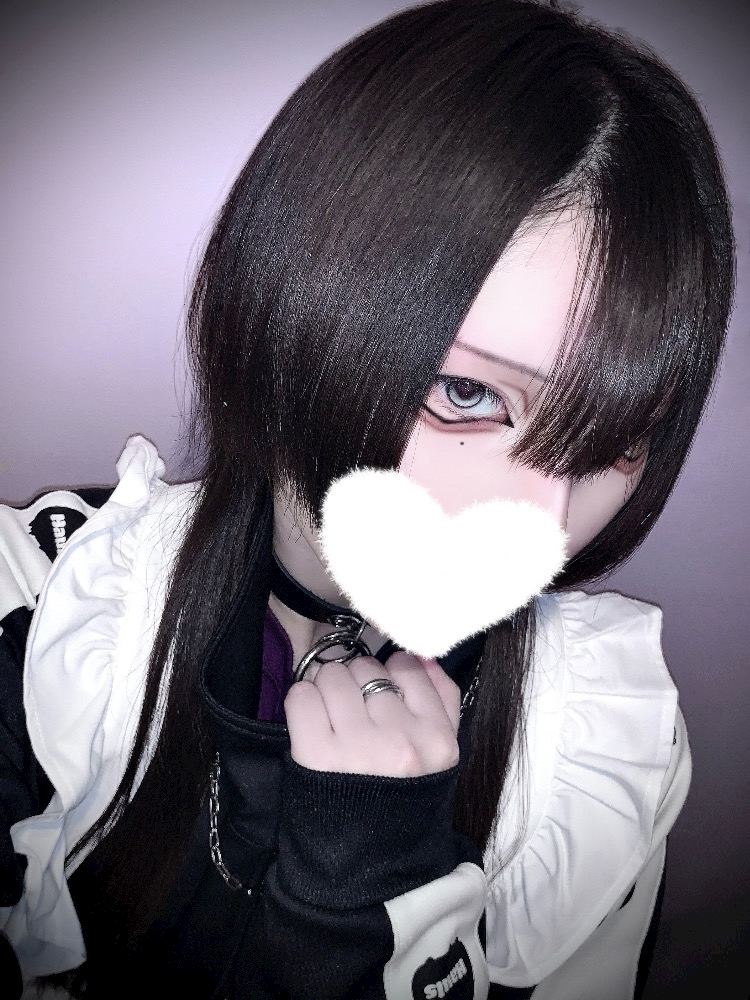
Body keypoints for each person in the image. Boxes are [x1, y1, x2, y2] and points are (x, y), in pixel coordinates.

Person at [0, 0, 735, 997]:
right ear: (289, 310)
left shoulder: (598, 750)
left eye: (610, 443)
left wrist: (370, 895)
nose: (541, 528)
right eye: (465, 394)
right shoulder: (48, 606)